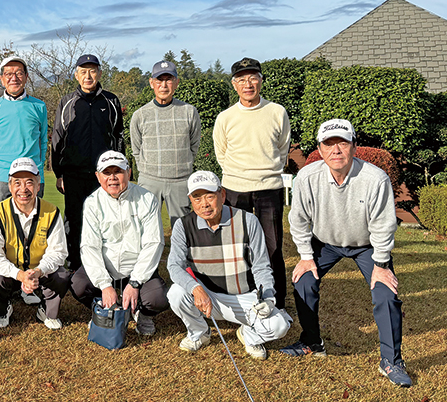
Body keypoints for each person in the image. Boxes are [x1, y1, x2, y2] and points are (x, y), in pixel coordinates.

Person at [282, 119, 410, 387]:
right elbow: (299, 220)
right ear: (320, 148)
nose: (336, 149)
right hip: (325, 242)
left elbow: (384, 226)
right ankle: (312, 343)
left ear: (354, 146)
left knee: (386, 294)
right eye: (329, 144)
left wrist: (381, 264)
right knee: (303, 281)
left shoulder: (375, 179)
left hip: (367, 244)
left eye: (342, 142)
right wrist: (306, 256)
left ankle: (391, 361)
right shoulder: (307, 177)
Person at [166, 171, 292, 359]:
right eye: (197, 198)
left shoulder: (247, 220)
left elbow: (261, 266)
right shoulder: (183, 225)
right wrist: (196, 289)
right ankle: (199, 333)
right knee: (176, 294)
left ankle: (248, 335)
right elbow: (174, 266)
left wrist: (267, 297)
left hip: (244, 297)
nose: (204, 204)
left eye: (210, 196)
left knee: (280, 326)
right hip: (206, 297)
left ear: (222, 195)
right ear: (191, 200)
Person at [212, 57, 291, 308]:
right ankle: (243, 295)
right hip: (235, 189)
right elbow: (221, 153)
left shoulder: (277, 112)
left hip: (269, 188)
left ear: (261, 80)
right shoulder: (225, 117)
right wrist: (238, 173)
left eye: (253, 77)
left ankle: (276, 300)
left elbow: (282, 148)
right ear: (234, 85)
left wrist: (266, 170)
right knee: (238, 245)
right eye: (242, 79)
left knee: (273, 246)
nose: (248, 83)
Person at [71, 151, 167, 335]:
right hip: (107, 268)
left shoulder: (147, 199)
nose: (113, 178)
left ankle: (142, 313)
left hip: (136, 268)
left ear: (129, 173)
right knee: (78, 284)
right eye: (107, 173)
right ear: (98, 177)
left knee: (158, 298)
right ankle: (104, 307)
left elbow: (153, 243)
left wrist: (136, 283)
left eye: (118, 171)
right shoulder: (92, 202)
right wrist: (105, 285)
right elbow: (89, 247)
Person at [52, 54, 124, 274]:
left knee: (105, 220)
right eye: (83, 71)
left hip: (103, 176)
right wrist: (59, 173)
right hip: (74, 174)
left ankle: (105, 264)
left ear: (100, 73)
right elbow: (57, 138)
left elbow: (118, 136)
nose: (88, 75)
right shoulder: (67, 102)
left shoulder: (111, 101)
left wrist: (120, 171)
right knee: (74, 221)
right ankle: (75, 264)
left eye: (92, 71)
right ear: (76, 74)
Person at [0, 158, 70, 330]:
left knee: (62, 276)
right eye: (17, 183)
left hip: (41, 272)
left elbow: (58, 252)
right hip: (11, 272)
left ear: (38, 185)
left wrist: (38, 271)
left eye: (29, 182)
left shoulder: (52, 211)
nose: (23, 189)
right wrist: (19, 275)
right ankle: (2, 309)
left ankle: (47, 310)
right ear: (9, 186)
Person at [129, 60, 201, 225]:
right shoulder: (140, 115)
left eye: (169, 80)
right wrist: (149, 170)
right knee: (145, 229)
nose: (164, 85)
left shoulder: (189, 111)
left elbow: (194, 145)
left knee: (182, 230)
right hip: (149, 181)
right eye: (159, 80)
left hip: (180, 181)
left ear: (176, 83)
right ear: (151, 83)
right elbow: (136, 150)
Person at [0, 55, 49, 205]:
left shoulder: (39, 106)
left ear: (26, 77)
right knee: (1, 225)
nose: (14, 78)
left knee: (32, 225)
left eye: (19, 73)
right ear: (1, 79)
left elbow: (43, 141)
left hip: (32, 175)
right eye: (8, 74)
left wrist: (38, 168)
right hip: (0, 178)